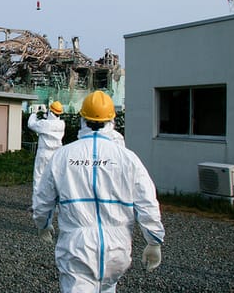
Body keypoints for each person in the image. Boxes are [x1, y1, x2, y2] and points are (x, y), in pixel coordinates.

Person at [33, 90, 165, 293]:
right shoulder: (127, 158)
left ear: (83, 119)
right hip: (117, 247)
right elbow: (147, 201)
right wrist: (153, 241)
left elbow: (43, 199)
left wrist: (43, 224)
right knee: (107, 288)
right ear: (112, 119)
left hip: (77, 246)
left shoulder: (63, 156)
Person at [27, 101, 65, 214]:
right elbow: (49, 122)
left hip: (44, 153)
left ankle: (36, 205)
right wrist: (45, 114)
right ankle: (57, 205)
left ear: (51, 111)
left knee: (38, 178)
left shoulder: (45, 124)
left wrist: (34, 112)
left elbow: (31, 124)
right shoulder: (62, 124)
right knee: (56, 180)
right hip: (57, 154)